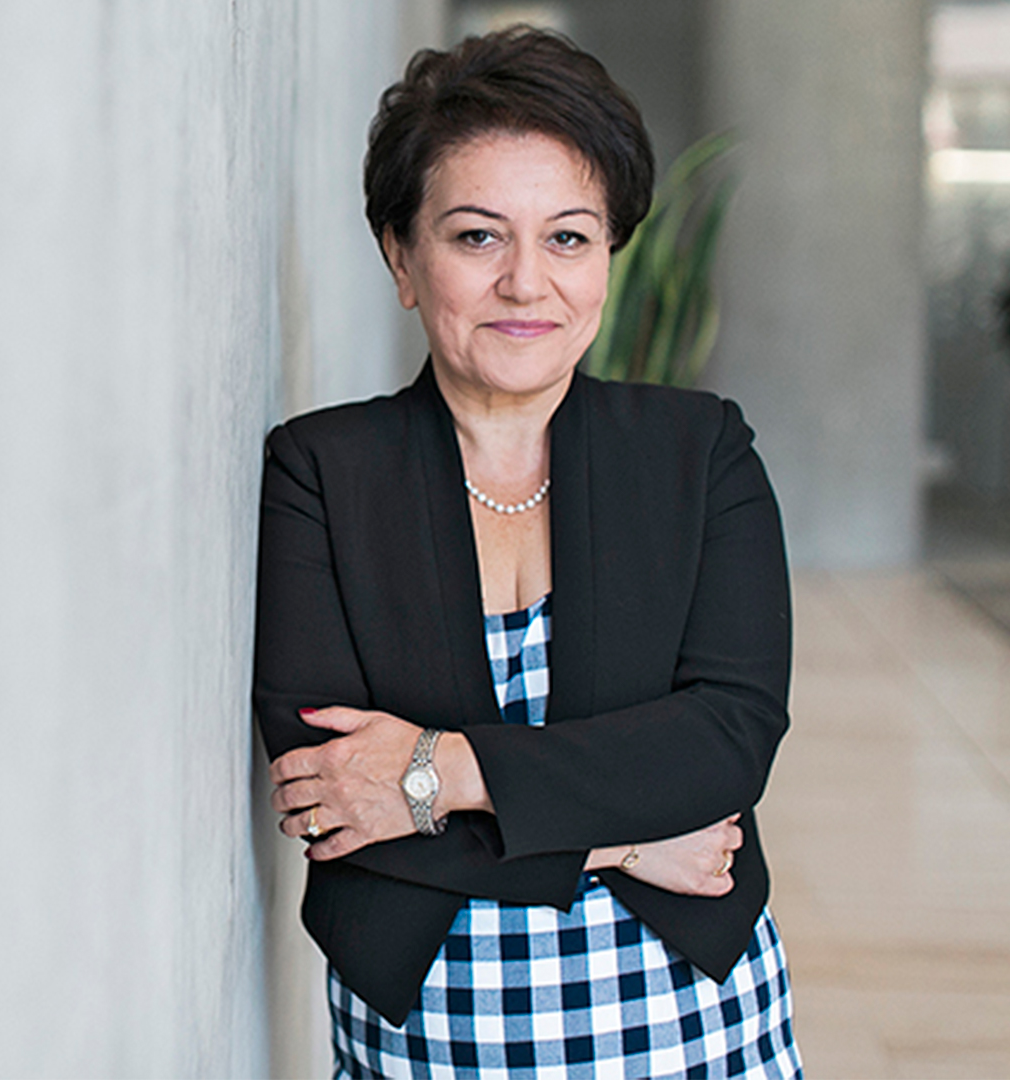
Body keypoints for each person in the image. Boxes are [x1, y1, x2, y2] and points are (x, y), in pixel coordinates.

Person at [254, 27, 801, 1079]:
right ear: (400, 256)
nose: (525, 283)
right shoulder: (323, 472)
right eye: (476, 237)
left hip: (693, 1024)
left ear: (608, 257)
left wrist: (436, 774)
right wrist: (627, 839)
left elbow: (726, 744)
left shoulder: (699, 453)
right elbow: (333, 794)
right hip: (433, 1038)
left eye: (568, 239)